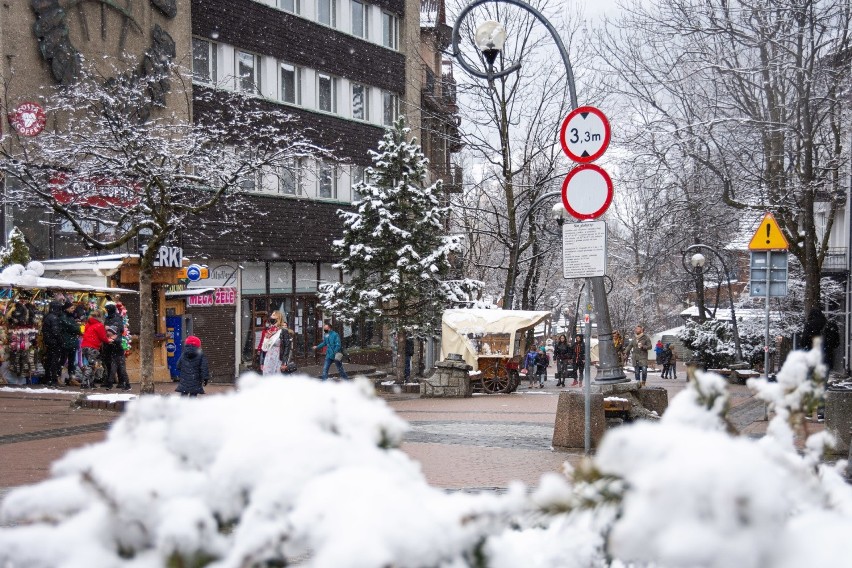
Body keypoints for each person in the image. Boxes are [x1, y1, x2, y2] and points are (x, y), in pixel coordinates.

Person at [80, 310, 110, 389]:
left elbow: (86, 334)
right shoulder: (99, 325)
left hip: (84, 346)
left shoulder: (88, 324)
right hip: (93, 347)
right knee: (91, 365)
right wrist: (109, 340)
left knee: (91, 364)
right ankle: (84, 383)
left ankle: (91, 382)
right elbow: (103, 337)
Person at [102, 302, 130, 390]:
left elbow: (119, 329)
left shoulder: (110, 319)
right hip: (114, 343)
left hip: (113, 344)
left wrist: (110, 334)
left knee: (115, 364)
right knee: (117, 364)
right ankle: (121, 382)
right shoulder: (117, 318)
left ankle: (117, 382)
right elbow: (121, 329)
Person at [40, 300, 63, 386]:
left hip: (49, 341)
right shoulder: (54, 318)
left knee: (49, 359)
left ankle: (48, 377)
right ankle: (53, 378)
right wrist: (60, 340)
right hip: (54, 342)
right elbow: (56, 331)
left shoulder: (48, 316)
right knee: (54, 360)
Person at [59, 301, 82, 385]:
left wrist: (76, 329)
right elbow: (75, 328)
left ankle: (71, 378)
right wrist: (76, 329)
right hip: (66, 342)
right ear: (67, 308)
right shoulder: (63, 317)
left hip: (71, 342)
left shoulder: (70, 317)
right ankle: (59, 377)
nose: (73, 310)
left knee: (71, 362)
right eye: (72, 308)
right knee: (63, 360)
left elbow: (76, 329)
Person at [260, 311, 286, 376]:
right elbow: (264, 348)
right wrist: (262, 362)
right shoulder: (269, 330)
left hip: (278, 356)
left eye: (273, 315)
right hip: (268, 356)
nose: (271, 317)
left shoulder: (283, 331)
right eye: (271, 315)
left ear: (278, 318)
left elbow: (286, 347)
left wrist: (284, 363)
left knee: (276, 377)